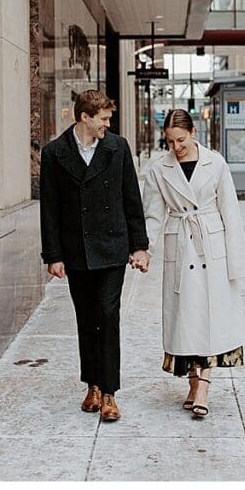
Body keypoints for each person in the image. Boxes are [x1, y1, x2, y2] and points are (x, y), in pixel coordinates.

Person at [39, 89, 150, 422]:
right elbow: (50, 209)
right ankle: (92, 386)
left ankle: (110, 393)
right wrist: (53, 255)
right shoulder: (54, 152)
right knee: (86, 319)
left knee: (107, 314)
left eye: (109, 119)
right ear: (85, 117)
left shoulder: (118, 148)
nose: (108, 124)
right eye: (103, 119)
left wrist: (139, 245)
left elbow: (132, 197)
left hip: (113, 247)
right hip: (77, 251)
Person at [142, 109, 245, 418]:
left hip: (211, 248)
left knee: (211, 319)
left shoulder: (215, 163)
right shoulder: (158, 169)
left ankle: (203, 386)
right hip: (180, 245)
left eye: (181, 140)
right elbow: (152, 214)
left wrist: (237, 262)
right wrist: (144, 249)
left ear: (193, 133)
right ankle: (192, 384)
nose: (176, 147)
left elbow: (231, 212)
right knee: (185, 320)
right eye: (170, 141)